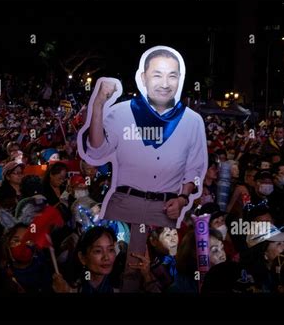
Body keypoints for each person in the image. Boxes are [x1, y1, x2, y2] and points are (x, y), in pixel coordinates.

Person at [79, 46, 207, 291]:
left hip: (165, 213)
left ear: (179, 79)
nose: (165, 83)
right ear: (143, 78)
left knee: (157, 276)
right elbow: (96, 151)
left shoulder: (192, 121)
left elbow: (194, 170)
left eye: (172, 75)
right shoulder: (120, 113)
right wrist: (98, 107)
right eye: (157, 74)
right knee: (111, 272)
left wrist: (181, 199)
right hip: (124, 206)